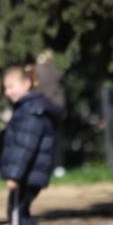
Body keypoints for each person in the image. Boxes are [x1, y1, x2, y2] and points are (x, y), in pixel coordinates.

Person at [0, 65, 66, 225]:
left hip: (26, 174)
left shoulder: (31, 110)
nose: (7, 91)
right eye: (5, 87)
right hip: (30, 173)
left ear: (27, 83)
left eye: (11, 86)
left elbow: (25, 146)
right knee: (18, 212)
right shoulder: (28, 108)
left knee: (16, 213)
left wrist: (15, 175)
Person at [34, 50, 67, 178]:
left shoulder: (38, 70)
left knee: (44, 137)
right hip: (58, 107)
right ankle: (58, 166)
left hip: (44, 108)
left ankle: (45, 166)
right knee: (57, 137)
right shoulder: (56, 70)